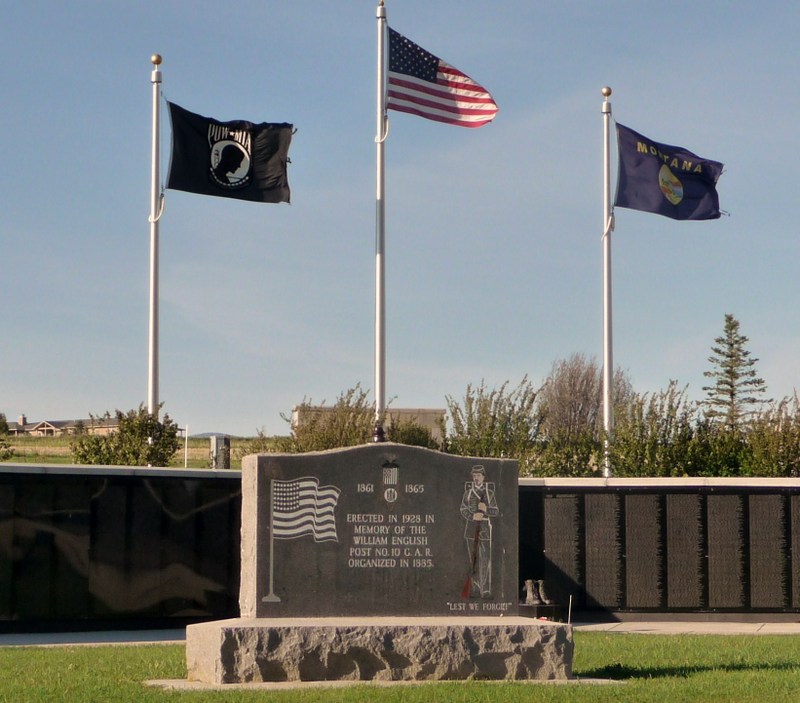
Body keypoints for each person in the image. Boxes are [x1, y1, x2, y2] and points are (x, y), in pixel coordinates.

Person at [460, 465, 499, 598]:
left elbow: (495, 510)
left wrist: (486, 509)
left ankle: (486, 589)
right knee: (473, 561)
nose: (476, 478)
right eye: (474, 475)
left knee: (485, 560)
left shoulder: (489, 493)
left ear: (483, 477)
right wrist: (472, 516)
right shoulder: (468, 493)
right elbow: (463, 509)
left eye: (478, 475)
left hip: (485, 530)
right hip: (471, 529)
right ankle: (475, 588)